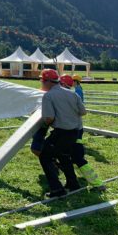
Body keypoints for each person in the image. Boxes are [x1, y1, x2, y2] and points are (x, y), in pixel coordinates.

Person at [38, 69, 85, 197]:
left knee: (45, 157)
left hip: (61, 133)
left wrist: (43, 124)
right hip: (74, 132)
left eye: (42, 81)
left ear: (47, 81)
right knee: (63, 156)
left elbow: (49, 118)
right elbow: (83, 112)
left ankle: (57, 189)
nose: (41, 83)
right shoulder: (72, 94)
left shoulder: (48, 96)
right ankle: (73, 183)